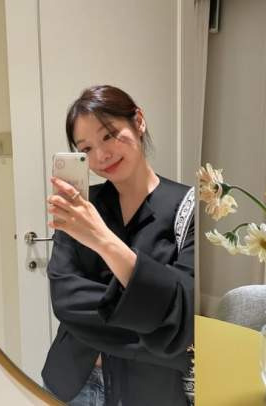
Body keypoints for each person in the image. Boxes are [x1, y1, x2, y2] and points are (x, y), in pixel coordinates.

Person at [41, 85, 194, 406]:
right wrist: (155, 324)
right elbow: (65, 299)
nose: (101, 156)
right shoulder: (81, 208)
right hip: (73, 382)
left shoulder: (189, 209)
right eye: (86, 148)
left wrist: (102, 239)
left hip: (151, 393)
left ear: (138, 121)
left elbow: (184, 312)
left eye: (109, 135)